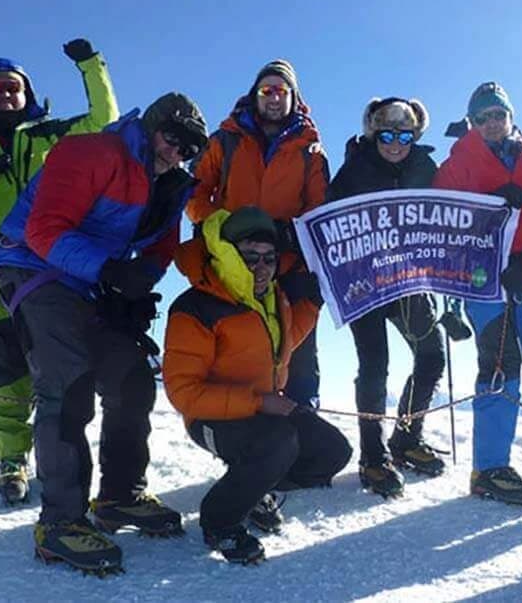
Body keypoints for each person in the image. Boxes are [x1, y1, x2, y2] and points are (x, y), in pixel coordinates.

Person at [0, 93, 206, 572]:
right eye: (172, 137)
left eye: (188, 148)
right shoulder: (92, 152)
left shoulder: (169, 188)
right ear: (151, 127)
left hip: (91, 282)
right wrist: (110, 272)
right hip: (32, 266)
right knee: (68, 382)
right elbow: (44, 229)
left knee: (131, 379)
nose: (176, 152)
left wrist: (135, 286)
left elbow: (162, 249)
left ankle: (119, 496)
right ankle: (60, 523)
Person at [0, 38, 118, 505]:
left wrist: (90, 65)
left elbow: (103, 121)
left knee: (53, 359)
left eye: (13, 87)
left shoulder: (50, 135)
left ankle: (53, 454)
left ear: (27, 93)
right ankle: (11, 459)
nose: (6, 94)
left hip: (46, 259)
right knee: (4, 363)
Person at [163, 207, 352, 563]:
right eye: (250, 257)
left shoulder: (272, 297)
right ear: (229, 254)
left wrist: (312, 304)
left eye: (269, 258)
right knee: (277, 443)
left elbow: (280, 346)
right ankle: (220, 521)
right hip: (210, 419)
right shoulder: (196, 307)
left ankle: (252, 488)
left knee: (332, 451)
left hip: (262, 409)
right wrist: (260, 402)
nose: (262, 267)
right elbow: (184, 393)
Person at [433, 82, 522, 506]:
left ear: (510, 117)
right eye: (483, 117)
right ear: (472, 122)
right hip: (485, 283)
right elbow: (444, 223)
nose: (492, 123)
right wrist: (487, 210)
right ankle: (490, 467)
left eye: (499, 115)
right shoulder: (456, 165)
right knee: (500, 363)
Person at [186, 59, 329, 409]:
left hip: (289, 262)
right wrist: (224, 227)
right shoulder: (225, 140)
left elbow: (319, 208)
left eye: (282, 90)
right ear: (255, 95)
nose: (274, 97)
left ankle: (302, 421)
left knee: (298, 354)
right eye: (267, 90)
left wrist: (292, 234)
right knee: (236, 350)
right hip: (231, 263)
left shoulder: (310, 150)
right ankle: (239, 424)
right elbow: (193, 192)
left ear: (294, 97)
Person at [326, 97, 447, 498]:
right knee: (375, 365)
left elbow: (445, 214)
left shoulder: (425, 167)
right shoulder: (355, 168)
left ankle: (407, 438)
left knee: (432, 355)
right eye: (387, 136)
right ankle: (373, 456)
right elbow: (331, 218)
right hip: (364, 283)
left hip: (409, 279)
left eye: (405, 136)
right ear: (373, 135)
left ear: (415, 136)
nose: (396, 144)